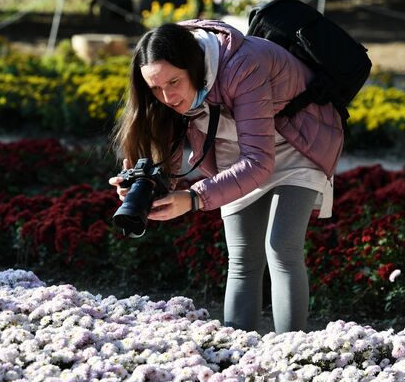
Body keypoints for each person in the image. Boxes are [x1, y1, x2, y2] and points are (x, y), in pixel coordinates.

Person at [108, 19, 343, 334]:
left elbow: (259, 161)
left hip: (296, 144)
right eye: (155, 88)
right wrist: (144, 186)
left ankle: (293, 357)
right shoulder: (165, 85)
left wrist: (194, 198)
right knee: (243, 259)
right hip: (237, 153)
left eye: (174, 82)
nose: (166, 96)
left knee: (281, 247)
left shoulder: (243, 64)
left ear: (193, 66)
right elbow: (169, 159)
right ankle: (237, 358)